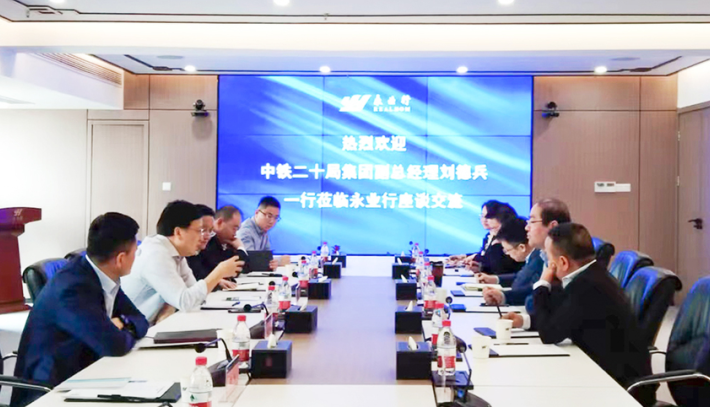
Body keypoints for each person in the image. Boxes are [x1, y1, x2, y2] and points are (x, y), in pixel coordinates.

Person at [503, 223, 655, 406]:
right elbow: (562, 316)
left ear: (563, 263)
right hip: (604, 370)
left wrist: (542, 284)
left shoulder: (587, 287)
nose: (548, 265)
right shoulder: (591, 274)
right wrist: (525, 321)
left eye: (549, 258)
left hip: (619, 386)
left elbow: (549, 334)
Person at [12, 213, 149, 407]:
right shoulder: (73, 288)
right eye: (136, 251)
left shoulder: (100, 275)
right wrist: (120, 329)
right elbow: (114, 346)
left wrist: (123, 324)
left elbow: (141, 321)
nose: (137, 257)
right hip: (50, 390)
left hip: (87, 374)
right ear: (120, 259)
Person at [122, 200, 244, 324]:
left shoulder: (177, 254)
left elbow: (195, 298)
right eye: (199, 231)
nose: (202, 237)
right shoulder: (156, 254)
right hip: (134, 330)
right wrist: (218, 273)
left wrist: (172, 305)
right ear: (178, 232)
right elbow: (185, 301)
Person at [478, 217, 544, 309]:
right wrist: (495, 279)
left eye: (507, 250)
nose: (507, 254)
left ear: (521, 247)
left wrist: (503, 296)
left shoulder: (538, 259)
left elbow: (532, 289)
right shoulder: (533, 257)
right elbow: (519, 276)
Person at [188, 205, 248, 287]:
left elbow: (236, 269)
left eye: (210, 230)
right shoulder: (190, 252)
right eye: (202, 230)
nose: (207, 236)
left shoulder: (223, 244)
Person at [237, 196, 288, 271]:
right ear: (257, 213)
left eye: (276, 218)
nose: (272, 221)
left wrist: (273, 262)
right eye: (269, 216)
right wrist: (279, 261)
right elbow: (250, 262)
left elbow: (267, 257)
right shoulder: (245, 231)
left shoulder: (263, 229)